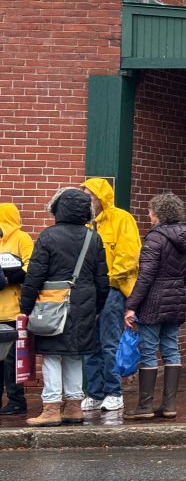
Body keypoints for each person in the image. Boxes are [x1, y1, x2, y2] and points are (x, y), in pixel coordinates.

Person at [21, 188, 110, 427]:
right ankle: (74, 407)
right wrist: (96, 307)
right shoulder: (94, 237)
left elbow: (34, 275)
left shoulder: (48, 236)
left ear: (57, 209)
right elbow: (103, 279)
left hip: (52, 302)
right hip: (85, 303)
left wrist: (25, 306)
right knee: (74, 355)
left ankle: (51, 408)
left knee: (51, 355)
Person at [123, 193, 186, 420]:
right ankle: (169, 405)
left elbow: (146, 276)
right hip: (176, 300)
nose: (148, 214)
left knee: (149, 350)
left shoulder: (155, 238)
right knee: (171, 348)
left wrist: (131, 305)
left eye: (151, 210)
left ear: (159, 213)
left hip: (153, 301)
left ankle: (145, 406)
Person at [79, 177, 140, 414]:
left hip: (113, 289)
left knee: (109, 342)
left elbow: (129, 255)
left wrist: (109, 280)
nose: (87, 201)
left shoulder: (121, 219)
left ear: (100, 198)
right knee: (90, 343)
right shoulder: (84, 224)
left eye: (90, 196)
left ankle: (114, 392)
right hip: (89, 290)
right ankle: (94, 392)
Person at [0, 203, 34, 415]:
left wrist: (9, 277)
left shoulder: (22, 238)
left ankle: (16, 400)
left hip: (13, 310)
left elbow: (31, 266)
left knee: (13, 361)